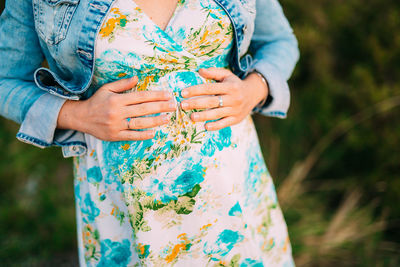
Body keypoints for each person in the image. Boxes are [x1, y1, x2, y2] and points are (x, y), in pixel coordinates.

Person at [0, 0, 299, 265]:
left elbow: (280, 42)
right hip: (123, 207)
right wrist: (76, 115)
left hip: (233, 192)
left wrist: (253, 90)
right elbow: (6, 79)